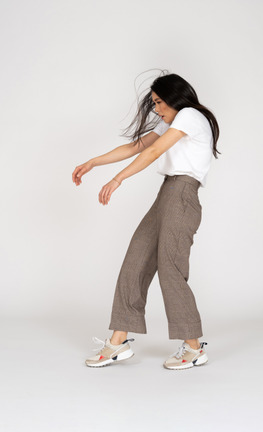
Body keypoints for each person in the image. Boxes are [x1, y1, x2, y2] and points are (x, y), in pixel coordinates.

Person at [72, 71, 220, 370]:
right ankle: (118, 343)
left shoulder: (190, 115)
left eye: (159, 102)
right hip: (167, 194)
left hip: (182, 195)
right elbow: (138, 146)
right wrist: (93, 162)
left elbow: (154, 152)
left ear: (176, 97)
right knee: (136, 259)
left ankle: (193, 347)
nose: (156, 109)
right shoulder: (173, 122)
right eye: (154, 103)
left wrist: (118, 179)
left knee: (171, 270)